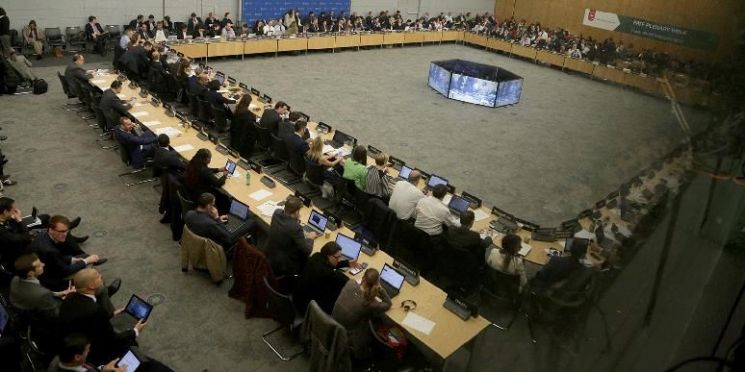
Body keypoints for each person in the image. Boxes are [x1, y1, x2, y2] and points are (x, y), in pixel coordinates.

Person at [59, 268, 146, 365]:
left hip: (75, 342)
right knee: (130, 342)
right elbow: (111, 340)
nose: (101, 276)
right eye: (97, 276)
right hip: (93, 353)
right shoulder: (95, 311)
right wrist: (135, 331)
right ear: (91, 286)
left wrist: (112, 315)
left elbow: (87, 321)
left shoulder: (69, 298)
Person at [32, 215, 105, 291]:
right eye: (62, 231)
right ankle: (101, 291)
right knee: (89, 274)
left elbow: (55, 259)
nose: (65, 234)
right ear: (51, 230)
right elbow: (65, 271)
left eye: (66, 231)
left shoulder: (42, 235)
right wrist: (86, 261)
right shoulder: (50, 250)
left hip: (51, 268)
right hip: (54, 280)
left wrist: (72, 259)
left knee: (84, 257)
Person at [332, 268, 392, 359]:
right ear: (376, 284)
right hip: (350, 332)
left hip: (334, 322)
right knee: (379, 320)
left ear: (363, 278)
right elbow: (388, 304)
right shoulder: (370, 303)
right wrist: (381, 290)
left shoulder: (350, 283)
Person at [294, 242, 358, 314]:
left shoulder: (316, 256)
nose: (339, 259)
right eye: (338, 257)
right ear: (329, 256)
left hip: (298, 297)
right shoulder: (328, 274)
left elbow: (328, 265)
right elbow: (348, 282)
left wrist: (347, 263)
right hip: (306, 307)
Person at [265, 196, 318, 277]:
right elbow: (307, 250)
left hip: (270, 255)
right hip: (284, 265)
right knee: (308, 258)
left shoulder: (277, 213)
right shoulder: (296, 228)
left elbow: (287, 221)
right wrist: (310, 238)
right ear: (296, 212)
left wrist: (295, 220)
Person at [9, 253, 76, 317]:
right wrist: (69, 298)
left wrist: (60, 293)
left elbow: (42, 294)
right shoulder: (42, 293)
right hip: (39, 312)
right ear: (31, 273)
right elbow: (56, 312)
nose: (43, 264)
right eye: (39, 265)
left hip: (24, 304)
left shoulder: (15, 279)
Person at [184, 192, 255, 252]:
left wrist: (216, 220)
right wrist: (217, 218)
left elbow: (202, 219)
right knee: (252, 221)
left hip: (202, 237)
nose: (214, 206)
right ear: (209, 206)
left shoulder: (189, 214)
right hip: (217, 245)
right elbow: (229, 237)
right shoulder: (210, 224)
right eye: (213, 204)